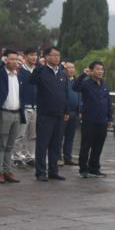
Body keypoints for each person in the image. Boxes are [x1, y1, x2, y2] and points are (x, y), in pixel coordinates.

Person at [29, 46, 68, 182]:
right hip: (45, 114)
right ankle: (40, 172)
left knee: (56, 145)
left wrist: (66, 110)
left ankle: (53, 171)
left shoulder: (62, 74)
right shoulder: (41, 71)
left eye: (58, 55)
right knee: (42, 144)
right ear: (46, 57)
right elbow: (31, 80)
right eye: (54, 55)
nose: (57, 58)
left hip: (60, 115)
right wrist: (39, 66)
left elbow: (65, 94)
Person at [0, 49, 27, 184]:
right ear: (6, 60)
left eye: (17, 59)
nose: (15, 62)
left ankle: (7, 171)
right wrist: (1, 64)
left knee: (11, 145)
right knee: (1, 144)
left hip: (17, 113)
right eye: (12, 59)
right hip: (4, 113)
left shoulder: (19, 74)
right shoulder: (1, 73)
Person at [75, 61, 114, 177]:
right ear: (91, 71)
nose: (100, 71)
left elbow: (108, 101)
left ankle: (94, 168)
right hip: (89, 120)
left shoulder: (104, 84)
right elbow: (75, 87)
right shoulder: (86, 84)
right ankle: (83, 169)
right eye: (97, 69)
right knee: (86, 145)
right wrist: (83, 75)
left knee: (98, 146)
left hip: (102, 121)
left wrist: (109, 118)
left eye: (102, 69)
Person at [19, 47, 39, 160]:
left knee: (33, 135)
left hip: (36, 107)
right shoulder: (20, 70)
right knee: (20, 134)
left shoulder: (39, 70)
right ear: (25, 56)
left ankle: (30, 157)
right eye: (31, 55)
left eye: (35, 55)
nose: (34, 57)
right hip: (24, 107)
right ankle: (16, 157)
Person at [62, 61, 80, 166]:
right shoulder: (62, 81)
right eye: (69, 68)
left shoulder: (76, 82)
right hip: (64, 113)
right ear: (64, 69)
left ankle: (67, 157)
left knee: (70, 137)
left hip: (75, 113)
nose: (71, 70)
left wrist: (80, 110)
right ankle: (58, 157)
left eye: (73, 68)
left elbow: (80, 96)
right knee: (59, 137)